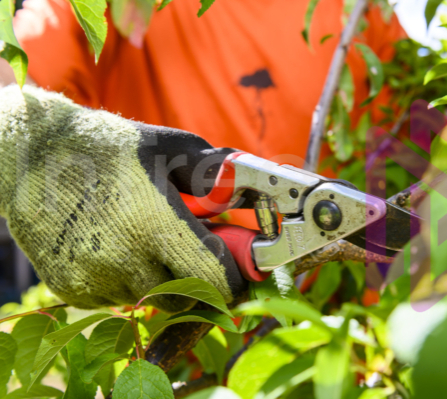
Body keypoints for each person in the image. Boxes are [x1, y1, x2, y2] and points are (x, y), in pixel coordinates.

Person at [0, 0, 406, 311]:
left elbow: (418, 161)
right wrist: (28, 140)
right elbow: (7, 76)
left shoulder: (361, 12)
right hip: (176, 341)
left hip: (351, 346)